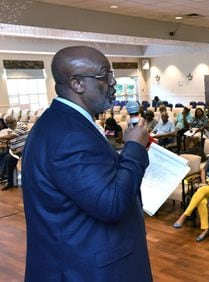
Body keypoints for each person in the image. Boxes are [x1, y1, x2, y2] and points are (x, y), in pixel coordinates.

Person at [22, 46, 152, 281]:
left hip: (81, 257)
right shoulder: (69, 134)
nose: (113, 83)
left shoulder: (62, 122)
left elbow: (93, 180)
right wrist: (134, 149)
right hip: (86, 269)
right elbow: (111, 203)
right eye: (105, 76)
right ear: (77, 84)